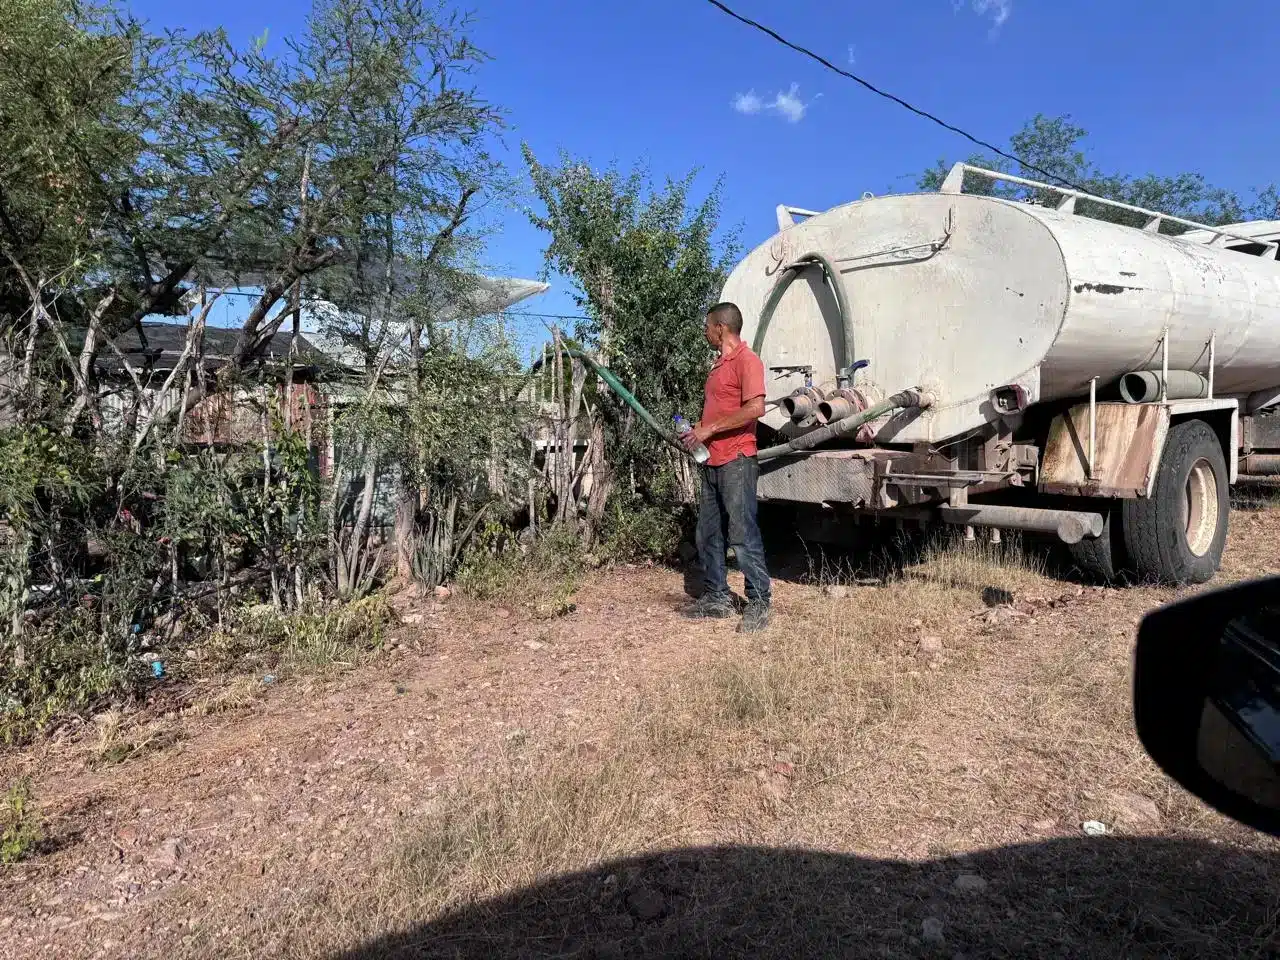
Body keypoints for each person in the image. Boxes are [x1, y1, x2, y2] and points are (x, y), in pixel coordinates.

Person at [681, 301, 772, 632]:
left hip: (737, 458)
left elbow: (756, 408)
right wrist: (698, 431)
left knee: (742, 533)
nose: (705, 332)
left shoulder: (747, 361)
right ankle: (717, 597)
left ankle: (759, 602)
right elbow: (719, 413)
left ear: (721, 327)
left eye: (708, 326)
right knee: (707, 532)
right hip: (712, 459)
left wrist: (709, 429)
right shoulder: (718, 366)